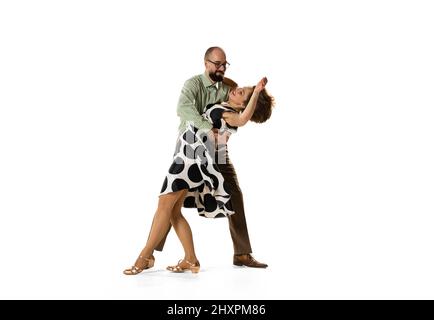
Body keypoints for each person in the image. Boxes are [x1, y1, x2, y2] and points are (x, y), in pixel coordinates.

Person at [123, 76, 273, 275]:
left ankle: (145, 257)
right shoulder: (219, 94)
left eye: (242, 92)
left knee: (168, 205)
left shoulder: (230, 113)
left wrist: (255, 93)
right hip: (188, 152)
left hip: (195, 158)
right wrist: (236, 84)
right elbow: (219, 84)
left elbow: (242, 119)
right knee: (171, 210)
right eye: (241, 88)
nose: (237, 89)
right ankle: (189, 259)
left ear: (245, 105)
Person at [154, 46, 270, 269]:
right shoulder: (193, 85)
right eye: (216, 64)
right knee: (171, 199)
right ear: (206, 63)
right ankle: (152, 251)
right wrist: (207, 127)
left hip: (217, 151)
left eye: (224, 64)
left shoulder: (229, 86)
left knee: (235, 194)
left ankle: (242, 254)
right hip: (191, 148)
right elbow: (183, 110)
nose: (221, 68)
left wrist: (254, 94)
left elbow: (242, 111)